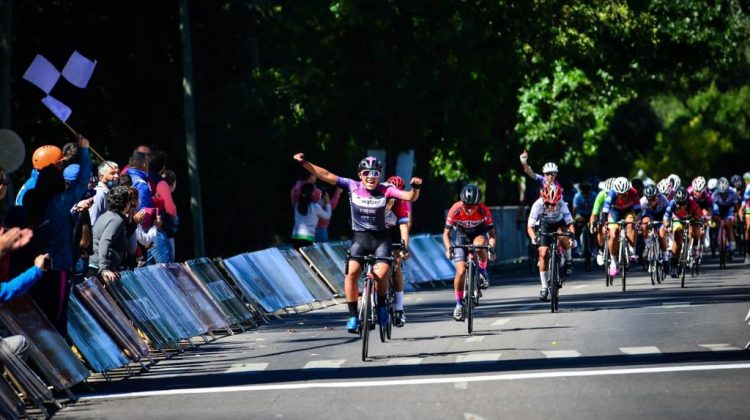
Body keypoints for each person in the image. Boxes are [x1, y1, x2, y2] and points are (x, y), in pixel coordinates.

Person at [292, 153, 422, 333]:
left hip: (381, 240)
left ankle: (382, 305)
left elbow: (409, 197)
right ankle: (353, 316)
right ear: (360, 175)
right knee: (351, 273)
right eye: (367, 172)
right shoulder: (352, 185)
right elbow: (325, 175)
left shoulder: (386, 189)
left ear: (379, 176)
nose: (371, 176)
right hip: (360, 239)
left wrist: (415, 188)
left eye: (375, 173)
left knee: (381, 274)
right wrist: (305, 163)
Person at [15, 135, 92, 335]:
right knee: (56, 320)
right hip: (57, 266)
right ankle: (60, 364)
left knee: (37, 319)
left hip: (33, 267)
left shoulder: (28, 195)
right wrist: (84, 151)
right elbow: (82, 182)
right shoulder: (57, 203)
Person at [443, 184, 497, 320]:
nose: (468, 209)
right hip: (461, 237)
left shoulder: (484, 211)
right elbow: (446, 234)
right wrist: (449, 248)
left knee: (479, 246)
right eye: (466, 206)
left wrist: (491, 248)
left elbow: (492, 235)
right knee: (460, 272)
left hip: (479, 235)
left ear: (478, 204)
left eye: (472, 206)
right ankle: (459, 305)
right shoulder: (455, 209)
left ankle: (483, 273)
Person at [527, 183, 575, 301]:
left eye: (554, 204)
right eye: (547, 204)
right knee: (543, 253)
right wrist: (534, 238)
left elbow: (570, 224)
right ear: (543, 200)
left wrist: (572, 237)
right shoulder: (537, 204)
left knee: (563, 236)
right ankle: (544, 288)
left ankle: (568, 261)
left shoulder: (562, 204)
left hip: (559, 223)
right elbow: (530, 226)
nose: (551, 207)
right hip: (545, 224)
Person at [384, 175, 413, 327]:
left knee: (396, 267)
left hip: (395, 230)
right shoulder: (378, 195)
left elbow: (405, 225)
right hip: (381, 231)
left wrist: (404, 247)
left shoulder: (402, 202)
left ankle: (400, 309)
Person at [88, 186, 132, 282]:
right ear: (126, 203)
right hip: (97, 268)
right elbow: (105, 241)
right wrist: (104, 269)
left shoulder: (107, 215)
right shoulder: (116, 220)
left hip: (97, 265)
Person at [601, 177, 641, 277]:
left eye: (624, 194)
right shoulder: (612, 193)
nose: (622, 196)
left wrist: (638, 221)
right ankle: (613, 262)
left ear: (628, 190)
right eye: (620, 194)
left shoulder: (633, 192)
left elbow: (638, 210)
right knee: (613, 234)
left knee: (631, 223)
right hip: (614, 212)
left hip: (628, 210)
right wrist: (605, 224)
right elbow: (605, 211)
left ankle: (632, 251)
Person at [664, 187, 703, 278]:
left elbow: (701, 216)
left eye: (683, 204)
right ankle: (674, 264)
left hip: (691, 218)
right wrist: (668, 226)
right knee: (677, 237)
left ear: (687, 201)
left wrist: (703, 221)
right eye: (679, 204)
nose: (681, 206)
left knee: (696, 229)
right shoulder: (672, 204)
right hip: (677, 219)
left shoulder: (692, 203)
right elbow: (665, 219)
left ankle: (695, 245)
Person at [291, 183, 331, 249]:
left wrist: (321, 200)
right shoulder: (315, 207)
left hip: (295, 237)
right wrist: (328, 203)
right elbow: (327, 216)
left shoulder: (297, 205)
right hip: (308, 238)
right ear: (312, 193)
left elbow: (312, 207)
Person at [640, 184, 670, 271]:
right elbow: (640, 216)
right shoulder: (642, 202)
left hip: (661, 216)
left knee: (661, 234)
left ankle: (665, 256)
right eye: (649, 199)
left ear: (657, 196)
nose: (651, 201)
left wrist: (668, 224)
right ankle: (647, 245)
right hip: (649, 215)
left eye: (653, 198)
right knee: (644, 223)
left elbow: (669, 213)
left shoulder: (663, 199)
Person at [712, 177, 740, 258]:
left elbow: (736, 207)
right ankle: (717, 238)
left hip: (729, 208)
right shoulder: (714, 195)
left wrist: (735, 215)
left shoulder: (733, 193)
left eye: (725, 193)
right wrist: (715, 217)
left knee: (729, 224)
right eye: (721, 194)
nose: (723, 195)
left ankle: (732, 245)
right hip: (719, 208)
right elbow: (713, 209)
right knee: (717, 221)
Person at [590, 177, 614, 266]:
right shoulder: (601, 195)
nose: (609, 195)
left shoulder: (619, 195)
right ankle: (601, 249)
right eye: (607, 193)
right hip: (603, 213)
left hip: (614, 212)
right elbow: (594, 214)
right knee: (600, 226)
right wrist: (592, 224)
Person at [89, 161, 120, 226]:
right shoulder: (99, 194)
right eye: (112, 173)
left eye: (118, 173)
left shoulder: (109, 194)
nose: (117, 176)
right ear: (102, 177)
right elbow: (92, 223)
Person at [572, 180, 597, 257]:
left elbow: (597, 208)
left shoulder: (593, 195)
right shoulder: (577, 196)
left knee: (594, 229)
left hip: (591, 214)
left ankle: (594, 247)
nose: (585, 194)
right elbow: (574, 209)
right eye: (584, 193)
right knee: (575, 227)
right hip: (581, 215)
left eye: (587, 193)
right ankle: (578, 245)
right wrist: (573, 219)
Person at [739, 172, 750, 264]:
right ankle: (747, 253)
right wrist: (741, 210)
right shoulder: (749, 187)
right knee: (749, 228)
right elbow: (744, 201)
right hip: (749, 207)